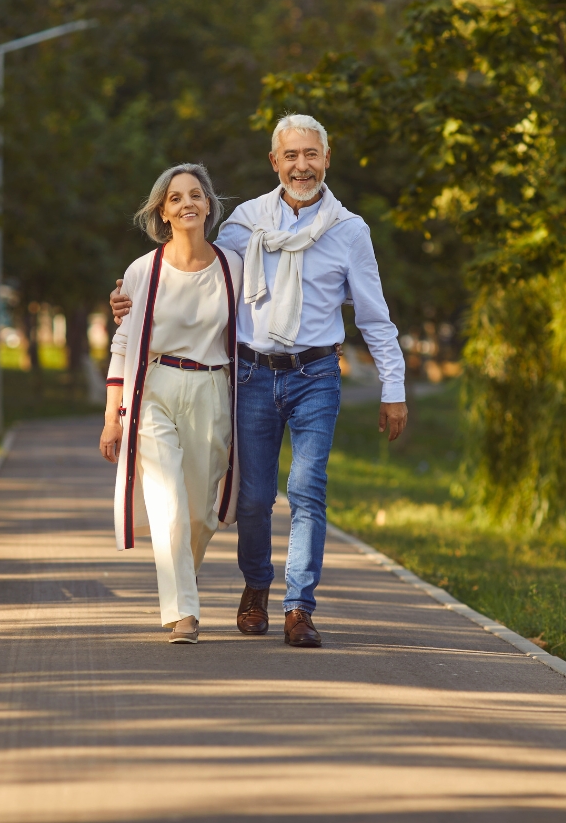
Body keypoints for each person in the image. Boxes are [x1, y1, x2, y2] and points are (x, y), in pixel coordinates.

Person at [111, 115, 407, 648]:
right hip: (251, 373)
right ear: (275, 162)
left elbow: (374, 316)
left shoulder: (350, 231)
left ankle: (299, 607)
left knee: (307, 490)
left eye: (310, 155)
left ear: (326, 158)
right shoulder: (246, 223)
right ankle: (255, 587)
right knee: (252, 498)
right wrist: (130, 301)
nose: (301, 166)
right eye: (290, 155)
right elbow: (201, 277)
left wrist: (394, 389)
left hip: (317, 373)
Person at [99, 163, 243, 644]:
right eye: (176, 198)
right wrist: (112, 419)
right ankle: (183, 613)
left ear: (208, 205)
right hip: (155, 389)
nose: (187, 204)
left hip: (212, 389)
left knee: (202, 512)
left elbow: (258, 325)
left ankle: (182, 581)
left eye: (195, 195)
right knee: (168, 503)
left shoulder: (232, 267)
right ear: (163, 210)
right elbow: (123, 345)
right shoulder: (144, 270)